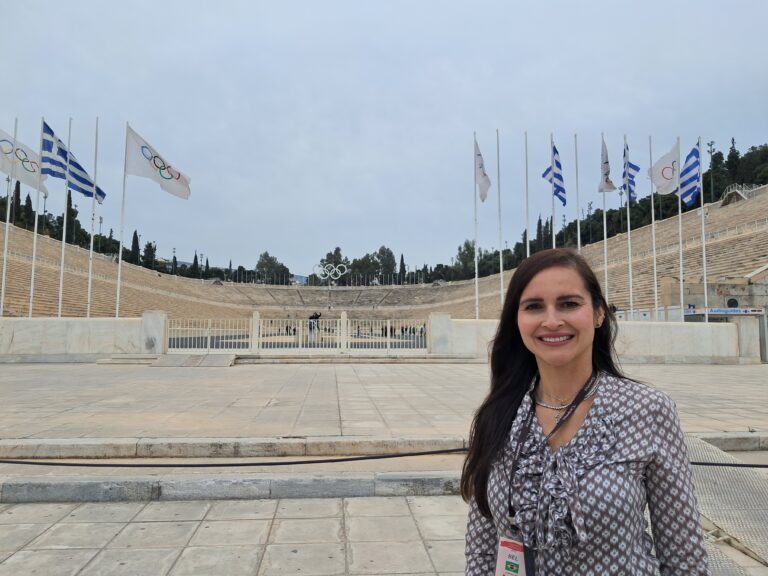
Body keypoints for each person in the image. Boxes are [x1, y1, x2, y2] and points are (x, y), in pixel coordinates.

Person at [462, 248, 709, 575]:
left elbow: (684, 556)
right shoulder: (499, 414)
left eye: (569, 304)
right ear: (517, 320)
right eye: (534, 306)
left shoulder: (647, 410)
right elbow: (482, 548)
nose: (552, 321)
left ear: (598, 313)